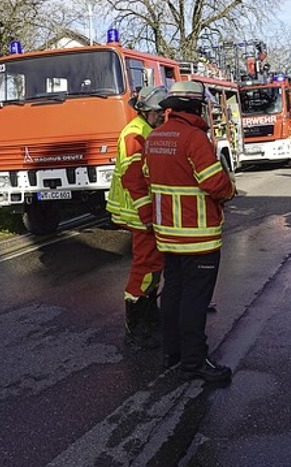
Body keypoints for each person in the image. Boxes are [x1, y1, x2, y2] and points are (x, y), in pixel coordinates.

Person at [141, 81, 236, 383]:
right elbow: (214, 183)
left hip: (167, 235)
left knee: (173, 294)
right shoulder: (194, 137)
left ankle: (173, 354)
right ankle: (195, 362)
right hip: (198, 236)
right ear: (196, 107)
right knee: (195, 300)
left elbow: (146, 175)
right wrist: (230, 190)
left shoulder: (154, 137)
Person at [106, 86, 168, 350]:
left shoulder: (146, 130)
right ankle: (136, 327)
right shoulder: (135, 134)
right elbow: (134, 177)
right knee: (145, 268)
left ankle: (149, 317)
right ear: (146, 111)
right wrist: (147, 213)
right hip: (138, 212)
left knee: (153, 266)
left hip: (144, 211)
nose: (163, 117)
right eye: (158, 113)